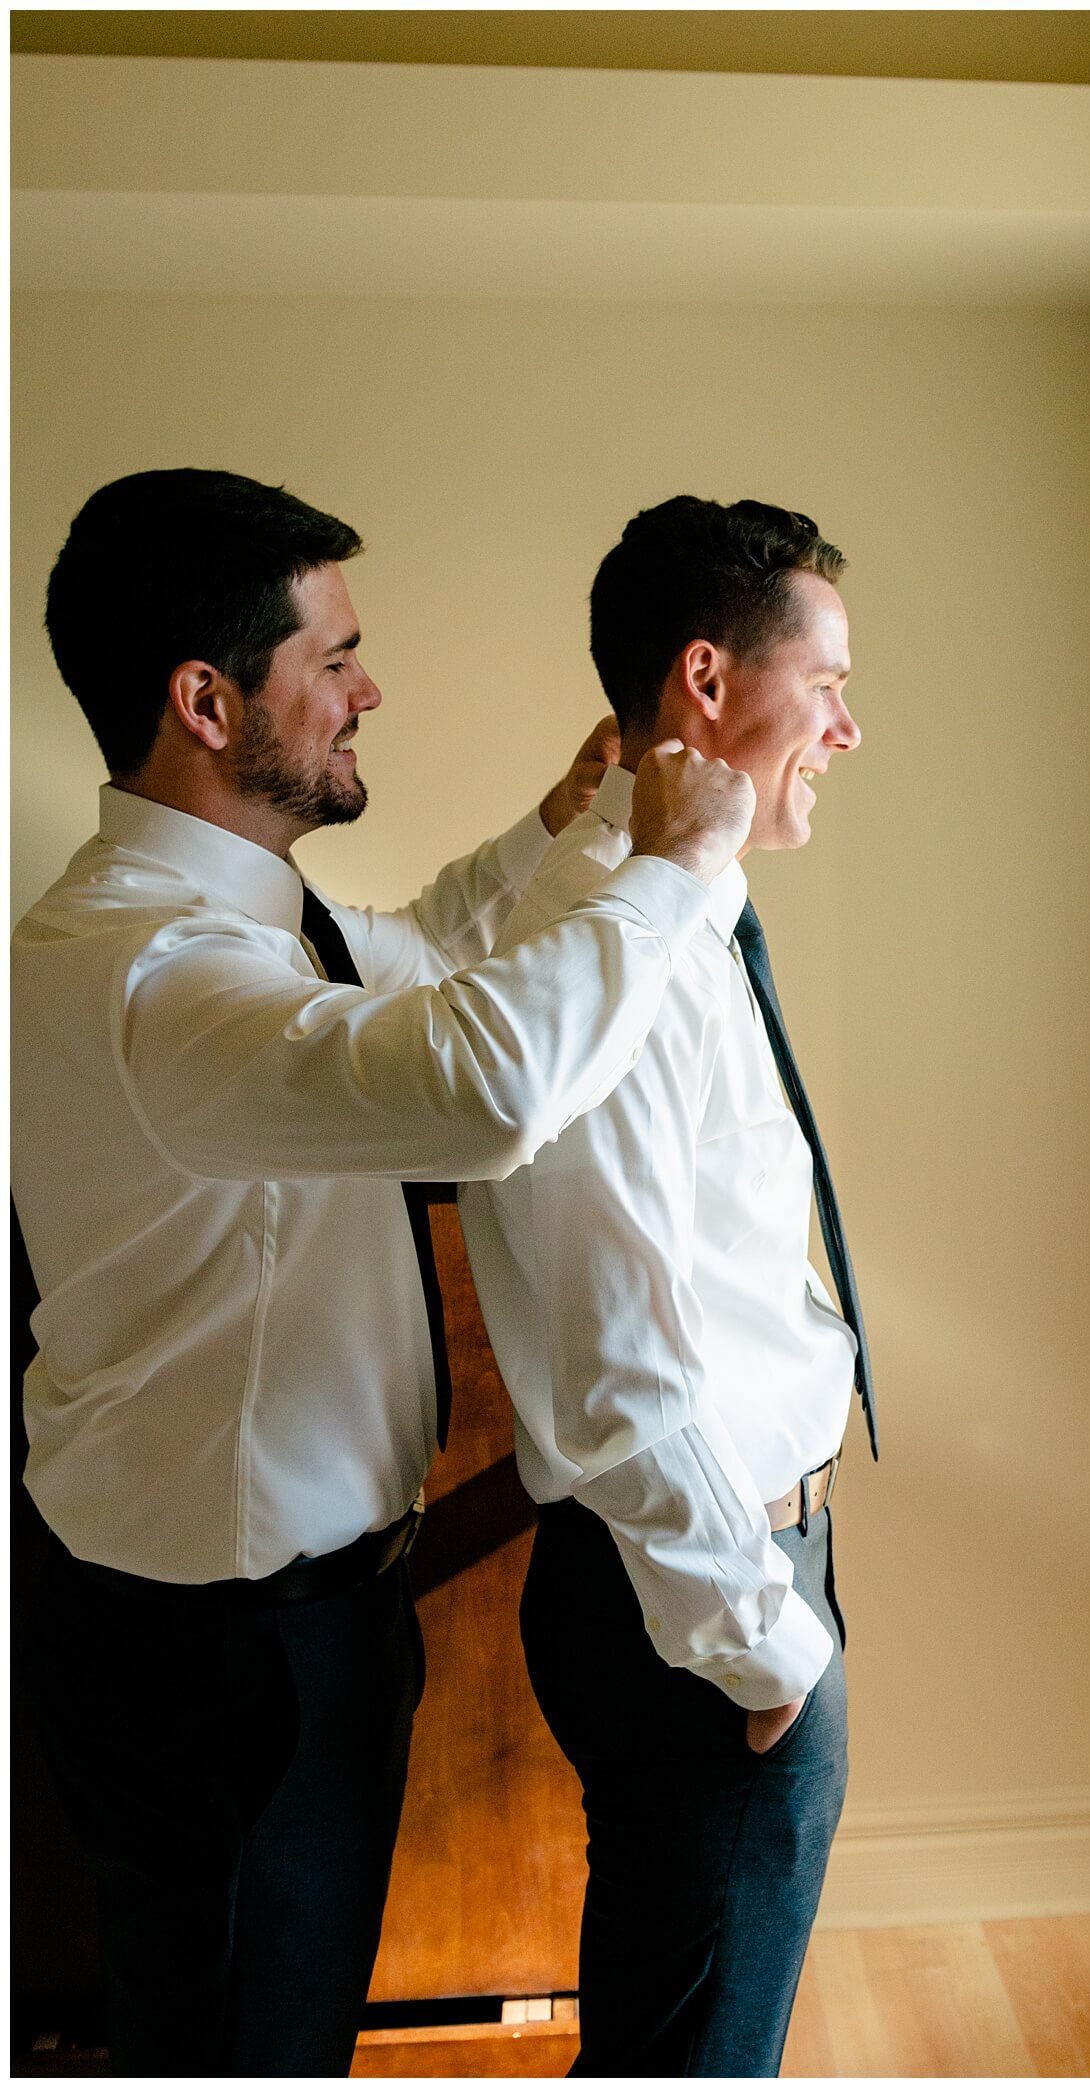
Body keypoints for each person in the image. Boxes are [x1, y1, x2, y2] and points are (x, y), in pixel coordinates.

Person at [11, 467, 755, 2079]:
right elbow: (478, 1083)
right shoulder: (146, 975)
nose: (368, 688)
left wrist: (563, 834)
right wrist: (673, 869)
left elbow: (415, 963)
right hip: (214, 1665)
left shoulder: (245, 929)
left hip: (292, 1628)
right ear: (206, 702)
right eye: (332, 657)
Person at [458, 494, 877, 2077]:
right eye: (826, 681)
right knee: (689, 2058)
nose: (849, 724)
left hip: (733, 1575)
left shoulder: (679, 910)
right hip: (698, 1615)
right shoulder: (609, 959)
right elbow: (619, 1371)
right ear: (707, 680)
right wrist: (768, 1646)